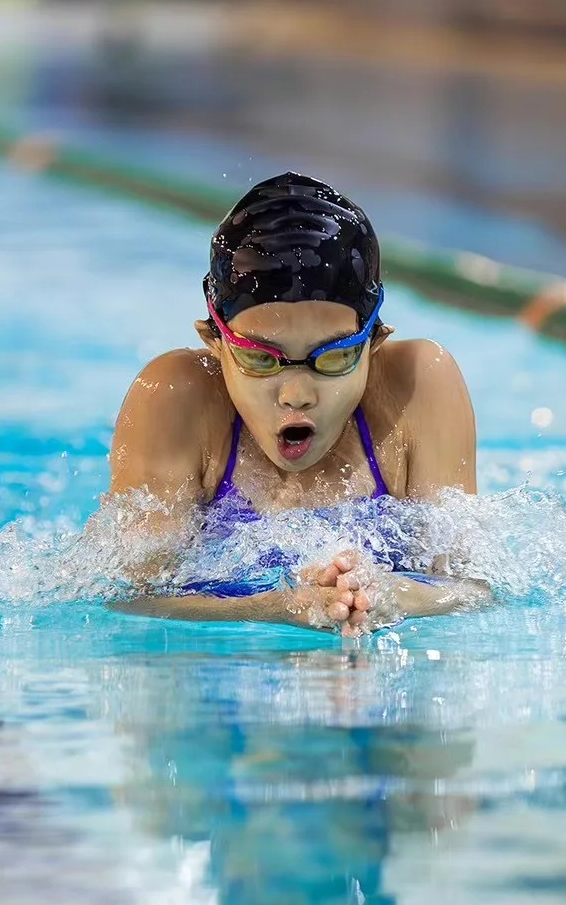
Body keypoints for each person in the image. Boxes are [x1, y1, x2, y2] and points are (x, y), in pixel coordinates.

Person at [106, 172, 491, 634]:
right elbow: (128, 599)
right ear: (214, 341)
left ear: (374, 342)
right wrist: (279, 606)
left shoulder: (416, 388)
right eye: (259, 358)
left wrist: (391, 594)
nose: (296, 394)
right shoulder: (174, 398)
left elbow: (472, 588)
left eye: (334, 357)